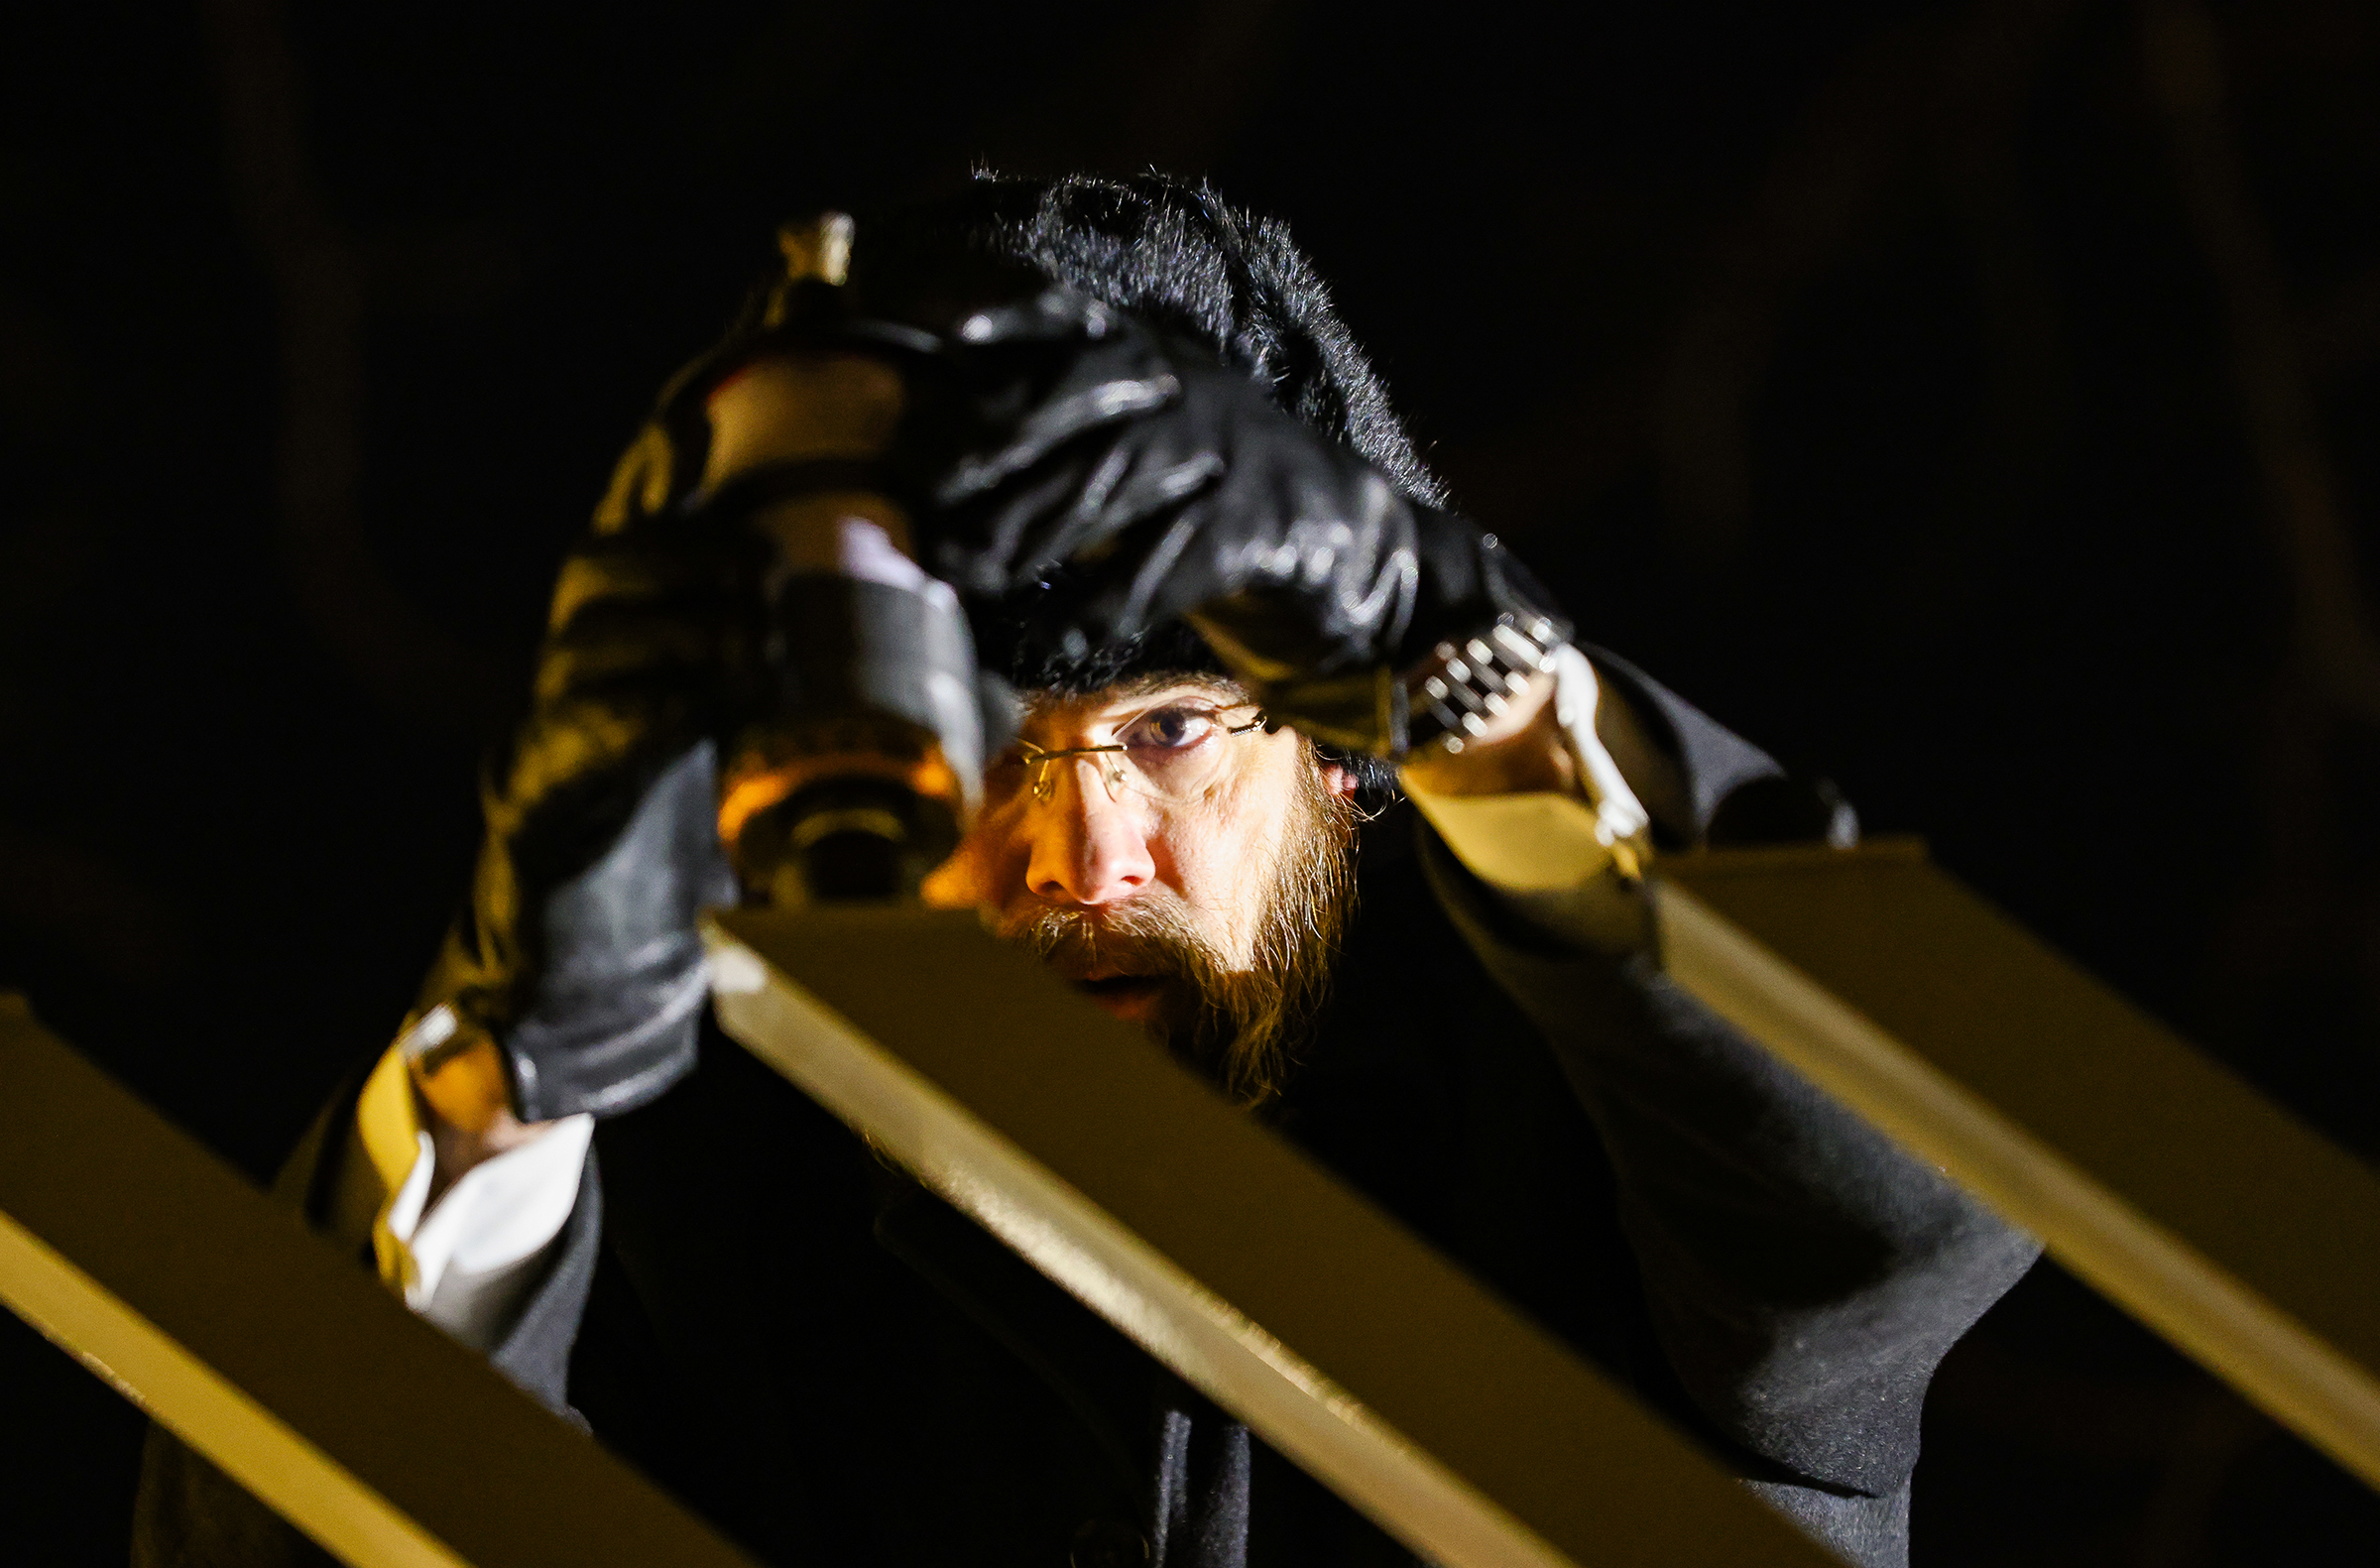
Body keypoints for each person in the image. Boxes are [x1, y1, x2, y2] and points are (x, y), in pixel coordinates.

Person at [135, 174, 2039, 1568]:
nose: (1078, 852)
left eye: (1169, 730)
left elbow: (1923, 1188)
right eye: (992, 753)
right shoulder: (701, 1236)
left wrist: (1472, 670)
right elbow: (283, 1525)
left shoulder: (1589, 1159)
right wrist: (502, 1074)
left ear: (1334, 754)